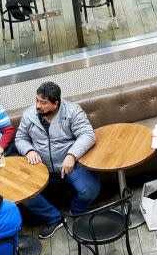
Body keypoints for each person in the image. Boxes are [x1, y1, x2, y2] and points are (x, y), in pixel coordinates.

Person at [17, 82, 99, 239]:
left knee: (90, 189)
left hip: (68, 164)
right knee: (22, 194)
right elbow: (20, 138)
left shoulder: (72, 111)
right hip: (40, 166)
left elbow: (88, 134)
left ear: (56, 103)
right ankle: (54, 218)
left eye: (43, 102)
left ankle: (77, 212)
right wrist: (29, 150)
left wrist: (72, 155)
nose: (37, 106)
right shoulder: (29, 115)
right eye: (36, 100)